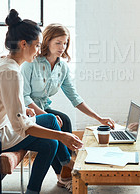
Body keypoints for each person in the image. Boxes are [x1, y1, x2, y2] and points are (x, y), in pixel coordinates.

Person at [0, 10, 83, 194]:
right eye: (36, 46)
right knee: (51, 120)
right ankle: (67, 164)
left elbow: (5, 103)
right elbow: (21, 127)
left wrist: (25, 110)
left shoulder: (3, 63)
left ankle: (33, 190)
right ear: (23, 44)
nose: (38, 51)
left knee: (49, 144)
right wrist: (62, 136)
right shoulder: (10, 73)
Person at [21, 23, 116, 186]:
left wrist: (99, 118)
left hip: (43, 108)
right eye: (58, 42)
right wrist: (46, 116)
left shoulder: (62, 67)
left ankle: (65, 172)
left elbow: (75, 97)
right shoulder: (31, 62)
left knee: (65, 119)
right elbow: (24, 97)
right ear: (47, 42)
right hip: (26, 111)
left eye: (65, 43)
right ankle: (64, 171)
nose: (62, 47)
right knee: (55, 121)